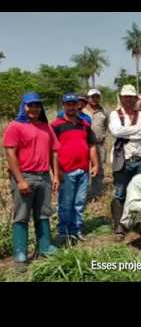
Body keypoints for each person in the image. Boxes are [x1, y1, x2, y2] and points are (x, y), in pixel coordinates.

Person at [3, 92, 60, 269]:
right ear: (24, 106)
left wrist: (55, 175)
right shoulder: (15, 126)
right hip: (24, 176)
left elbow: (54, 152)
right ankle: (20, 254)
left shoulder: (46, 126)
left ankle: (44, 246)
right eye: (30, 105)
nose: (34, 108)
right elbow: (10, 153)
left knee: (43, 213)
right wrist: (20, 180)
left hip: (43, 176)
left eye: (37, 105)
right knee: (21, 216)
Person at [51, 93, 99, 244]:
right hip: (66, 171)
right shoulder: (56, 125)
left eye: (74, 104)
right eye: (68, 104)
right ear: (63, 105)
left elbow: (91, 145)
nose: (72, 107)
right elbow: (52, 151)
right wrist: (56, 172)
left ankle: (76, 229)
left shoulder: (84, 124)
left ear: (78, 105)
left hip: (83, 170)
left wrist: (95, 164)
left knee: (79, 203)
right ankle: (63, 232)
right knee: (65, 204)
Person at [109, 84, 141, 242]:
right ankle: (119, 226)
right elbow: (115, 132)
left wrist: (126, 132)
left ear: (135, 99)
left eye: (131, 97)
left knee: (140, 192)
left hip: (140, 159)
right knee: (120, 193)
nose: (128, 100)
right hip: (122, 159)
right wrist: (136, 129)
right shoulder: (115, 114)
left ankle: (140, 224)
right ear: (121, 98)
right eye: (125, 97)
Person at [83, 88, 109, 200]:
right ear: (88, 98)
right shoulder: (82, 110)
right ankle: (83, 194)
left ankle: (96, 195)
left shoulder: (104, 112)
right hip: (84, 144)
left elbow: (106, 126)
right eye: (92, 97)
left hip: (99, 144)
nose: (94, 99)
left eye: (97, 97)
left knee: (99, 169)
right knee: (83, 169)